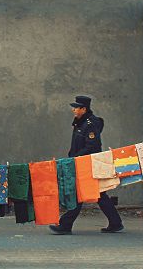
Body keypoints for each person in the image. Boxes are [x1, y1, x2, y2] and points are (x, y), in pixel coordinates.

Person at [49, 95, 124, 235]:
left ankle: (65, 225)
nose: (74, 110)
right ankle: (116, 222)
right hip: (82, 163)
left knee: (79, 193)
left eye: (76, 108)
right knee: (100, 194)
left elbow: (92, 146)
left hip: (87, 164)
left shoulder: (89, 124)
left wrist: (76, 158)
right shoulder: (80, 122)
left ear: (84, 109)